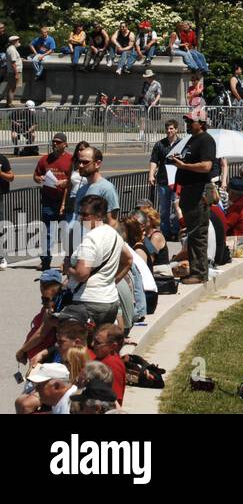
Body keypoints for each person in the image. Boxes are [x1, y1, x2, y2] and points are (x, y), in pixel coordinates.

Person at [63, 195, 133, 328]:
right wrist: (111, 281)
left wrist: (67, 269)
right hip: (110, 301)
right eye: (80, 213)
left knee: (74, 343)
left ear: (99, 215)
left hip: (88, 302)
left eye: (85, 214)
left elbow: (82, 274)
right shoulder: (113, 234)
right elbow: (128, 260)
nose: (81, 218)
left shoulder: (90, 239)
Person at [170, 106, 216, 283]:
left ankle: (199, 273)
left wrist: (183, 166)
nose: (187, 124)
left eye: (191, 121)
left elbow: (206, 166)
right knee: (192, 233)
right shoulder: (192, 140)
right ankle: (195, 269)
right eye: (187, 121)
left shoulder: (206, 140)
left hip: (198, 192)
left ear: (201, 123)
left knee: (198, 234)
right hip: (189, 192)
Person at [34, 132, 74, 270]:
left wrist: (66, 182)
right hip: (48, 201)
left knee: (66, 232)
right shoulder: (44, 159)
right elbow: (36, 175)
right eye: (53, 142)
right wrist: (38, 179)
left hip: (64, 201)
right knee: (48, 232)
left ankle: (66, 262)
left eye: (58, 142)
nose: (55, 144)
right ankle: (45, 261)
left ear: (65, 144)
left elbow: (75, 179)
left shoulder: (70, 160)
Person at [89, 323, 127, 404]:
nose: (92, 344)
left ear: (113, 346)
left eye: (97, 342)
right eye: (93, 340)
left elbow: (114, 401)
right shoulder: (101, 358)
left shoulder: (112, 365)